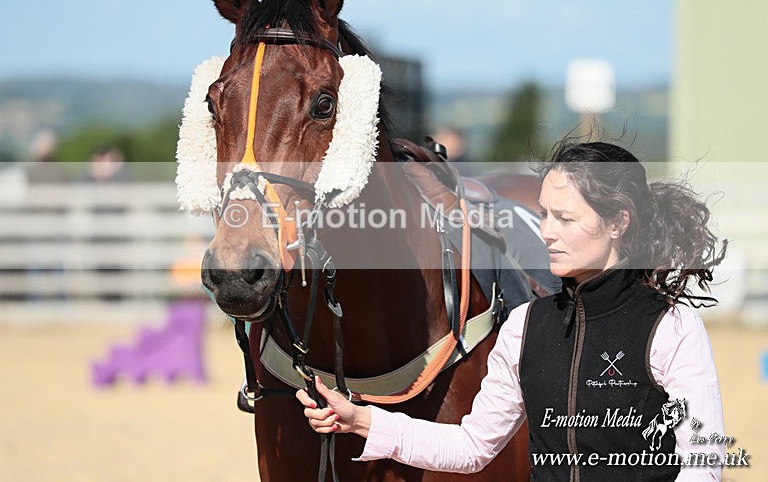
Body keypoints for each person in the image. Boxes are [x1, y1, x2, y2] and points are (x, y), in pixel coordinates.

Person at [297, 140, 727, 481]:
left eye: (565, 219)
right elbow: (470, 447)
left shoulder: (672, 327)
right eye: (544, 215)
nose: (546, 232)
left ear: (618, 222)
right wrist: (361, 420)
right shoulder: (525, 325)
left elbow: (703, 465)